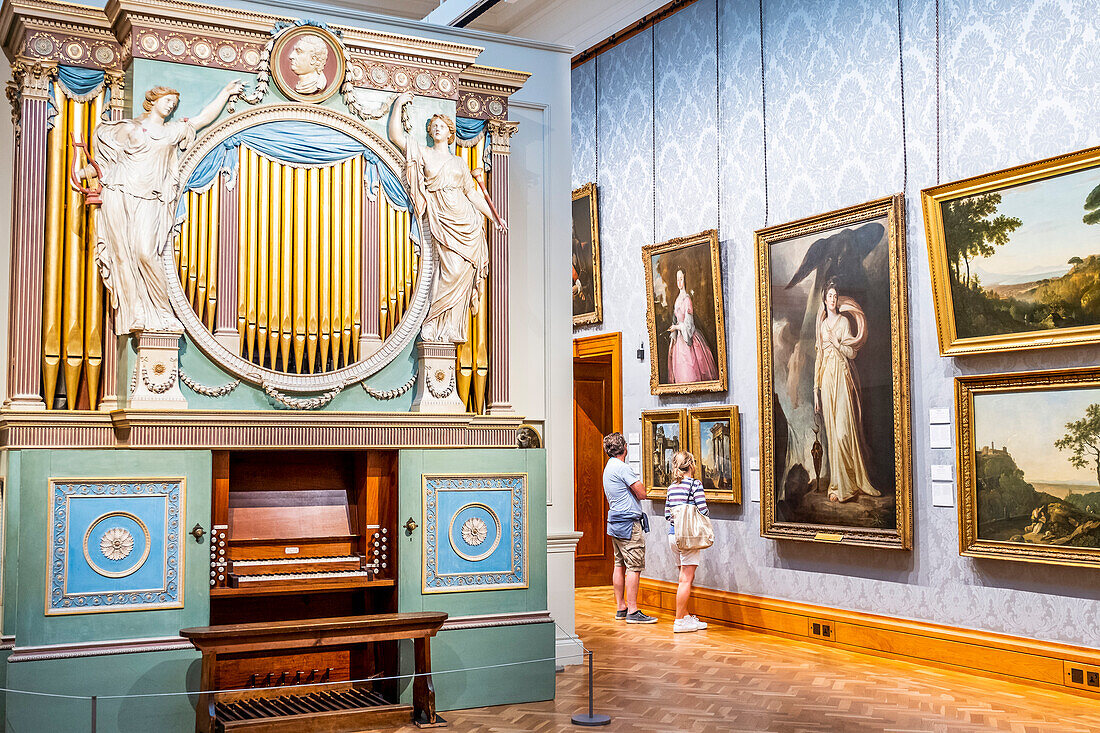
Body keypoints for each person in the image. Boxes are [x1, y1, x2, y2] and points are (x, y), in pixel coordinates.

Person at [91, 81, 243, 335]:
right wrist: (82, 172)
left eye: (173, 103)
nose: (171, 105)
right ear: (153, 100)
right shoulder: (129, 128)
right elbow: (104, 163)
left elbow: (203, 118)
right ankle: (136, 309)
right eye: (167, 100)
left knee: (145, 252)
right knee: (122, 255)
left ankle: (161, 311)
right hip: (120, 191)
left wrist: (225, 94)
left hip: (152, 197)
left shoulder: (173, 131)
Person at [387, 92, 506, 344]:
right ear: (430, 132)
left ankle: (451, 327)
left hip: (467, 222)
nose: (437, 129)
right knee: (447, 272)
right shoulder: (424, 153)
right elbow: (397, 137)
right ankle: (432, 322)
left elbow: (473, 195)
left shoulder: (460, 163)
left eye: (442, 126)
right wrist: (397, 104)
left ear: (450, 132)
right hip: (442, 218)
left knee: (462, 274)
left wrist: (494, 219)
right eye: (434, 126)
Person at [813, 278, 881, 502]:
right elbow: (819, 359)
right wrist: (816, 389)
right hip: (826, 381)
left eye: (835, 296)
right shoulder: (822, 326)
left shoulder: (843, 322)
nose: (832, 300)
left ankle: (852, 483)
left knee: (843, 432)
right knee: (832, 434)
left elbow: (852, 354)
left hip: (841, 377)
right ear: (824, 300)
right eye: (829, 296)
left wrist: (836, 342)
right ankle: (838, 485)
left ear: (837, 300)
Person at [602, 432, 657, 624]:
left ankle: (621, 607)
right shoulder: (622, 467)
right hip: (628, 523)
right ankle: (633, 611)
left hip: (615, 521)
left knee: (619, 564)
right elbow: (641, 493)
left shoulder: (608, 467)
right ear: (625, 447)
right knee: (634, 566)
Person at [664, 451, 709, 633]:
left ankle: (685, 616)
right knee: (686, 580)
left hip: (673, 536)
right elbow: (703, 510)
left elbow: (668, 515)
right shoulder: (695, 484)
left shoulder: (671, 487)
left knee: (683, 577)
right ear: (691, 465)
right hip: (688, 537)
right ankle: (679, 621)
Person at [667, 268, 719, 383]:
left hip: (688, 340)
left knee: (690, 372)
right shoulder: (677, 300)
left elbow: (689, 326)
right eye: (677, 279)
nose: (679, 282)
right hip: (679, 342)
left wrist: (676, 327)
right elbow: (676, 320)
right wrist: (674, 330)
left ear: (686, 280)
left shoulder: (687, 300)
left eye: (681, 279)